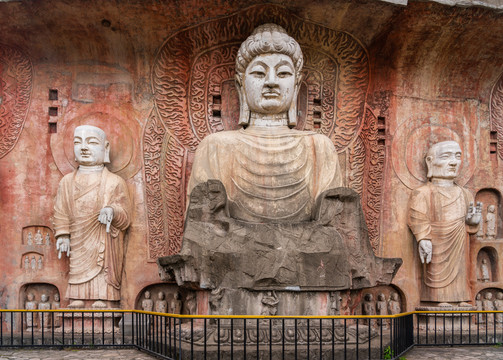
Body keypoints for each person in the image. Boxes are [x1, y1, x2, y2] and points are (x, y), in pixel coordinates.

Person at [188, 24, 342, 223]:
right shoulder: (215, 147)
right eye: (259, 74)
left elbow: (335, 227)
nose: (271, 82)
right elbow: (201, 228)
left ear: (296, 85)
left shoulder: (320, 148)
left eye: (283, 74)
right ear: (240, 84)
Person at [54, 125, 131, 308]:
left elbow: (126, 216)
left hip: (103, 237)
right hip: (78, 236)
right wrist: (63, 234)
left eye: (91, 142)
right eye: (78, 142)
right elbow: (61, 210)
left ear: (105, 149)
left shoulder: (114, 181)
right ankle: (77, 298)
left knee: (102, 265)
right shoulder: (66, 182)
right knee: (77, 267)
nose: (84, 148)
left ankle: (103, 298)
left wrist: (111, 211)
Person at [408, 141, 481, 305]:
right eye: (446, 156)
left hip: (459, 241)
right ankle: (437, 299)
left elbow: (471, 226)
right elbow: (417, 217)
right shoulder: (423, 192)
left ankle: (461, 297)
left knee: (461, 269)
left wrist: (472, 222)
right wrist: (423, 238)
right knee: (433, 267)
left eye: (457, 156)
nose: (454, 162)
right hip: (436, 241)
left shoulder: (465, 193)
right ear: (430, 162)